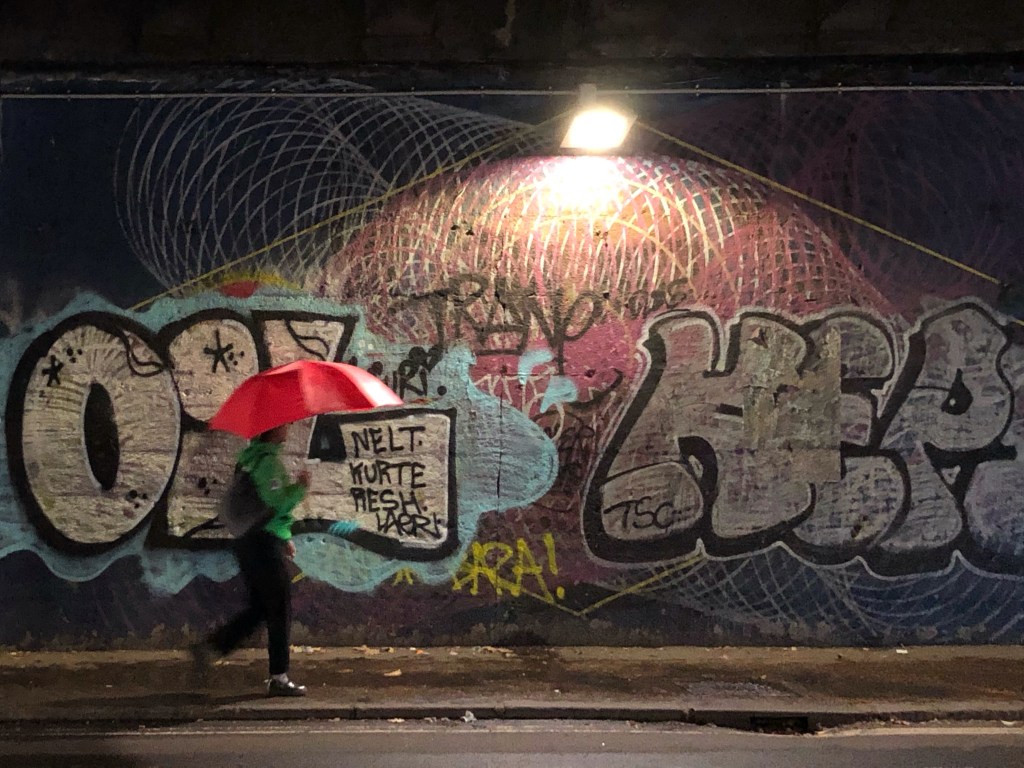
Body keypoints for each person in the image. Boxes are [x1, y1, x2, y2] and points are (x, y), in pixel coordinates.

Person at [192, 423, 310, 697]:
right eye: (284, 425)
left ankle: (213, 647)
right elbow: (277, 501)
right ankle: (278, 677)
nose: (288, 428)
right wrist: (300, 488)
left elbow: (262, 508)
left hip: (251, 542)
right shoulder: (267, 463)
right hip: (261, 545)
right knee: (280, 608)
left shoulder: (251, 459)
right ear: (272, 430)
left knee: (261, 608)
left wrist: (282, 537)